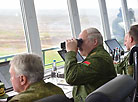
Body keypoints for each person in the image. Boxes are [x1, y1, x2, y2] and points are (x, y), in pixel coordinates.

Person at [64, 27, 117, 102]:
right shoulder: (99, 55)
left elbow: (71, 77)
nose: (79, 46)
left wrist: (71, 52)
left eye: (81, 42)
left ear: (94, 41)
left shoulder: (98, 59)